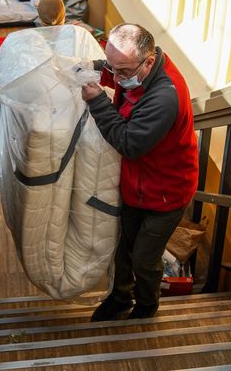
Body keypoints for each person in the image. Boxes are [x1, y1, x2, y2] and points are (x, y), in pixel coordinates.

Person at [81, 23, 199, 320]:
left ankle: (147, 304)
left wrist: (97, 101)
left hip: (165, 194)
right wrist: (91, 67)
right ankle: (120, 297)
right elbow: (115, 69)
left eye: (122, 72)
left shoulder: (164, 98)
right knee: (124, 248)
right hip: (140, 184)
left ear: (148, 61)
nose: (117, 78)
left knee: (145, 258)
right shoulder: (137, 68)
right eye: (113, 68)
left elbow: (129, 143)